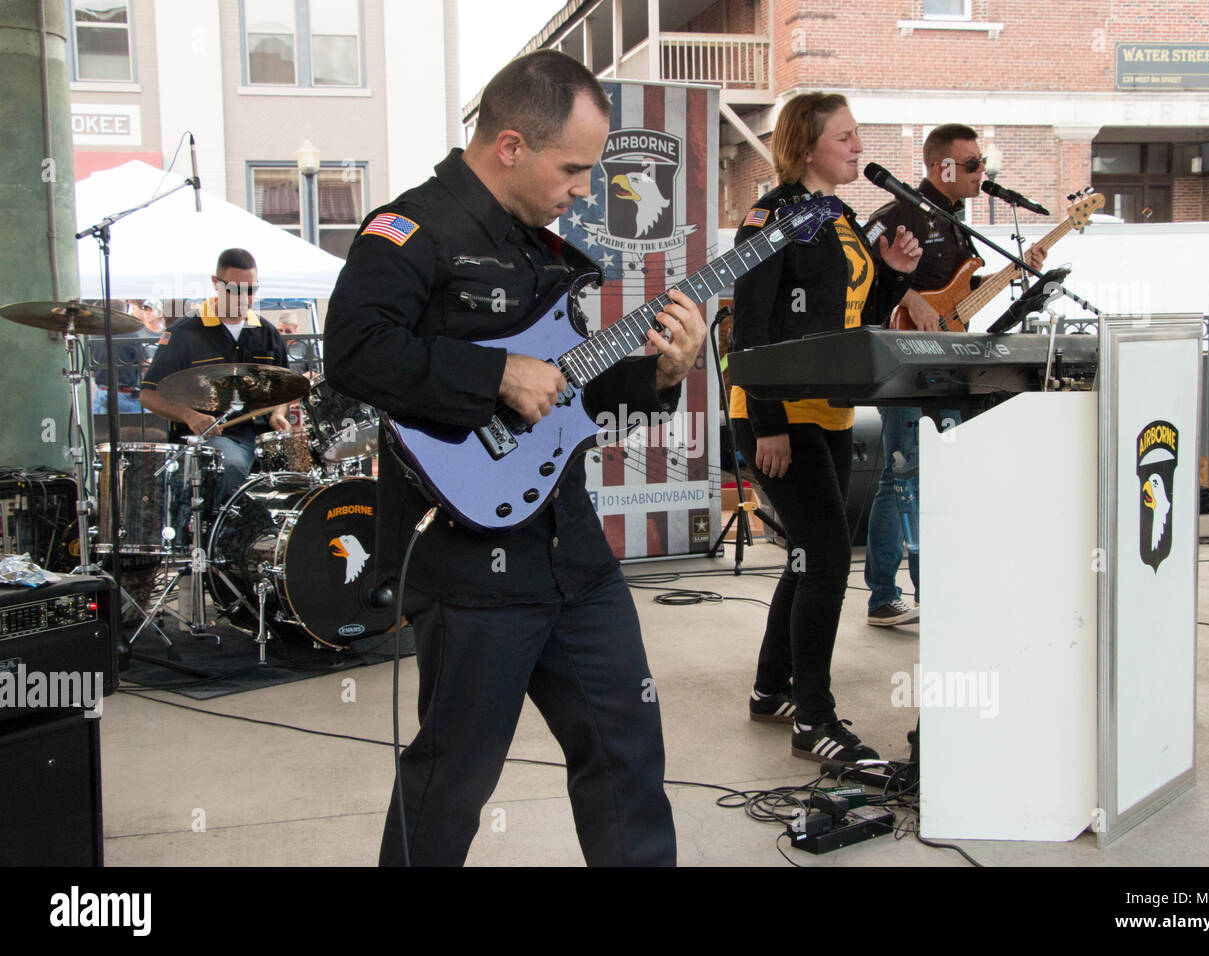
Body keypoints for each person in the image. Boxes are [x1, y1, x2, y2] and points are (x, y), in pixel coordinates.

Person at [323, 50, 706, 867]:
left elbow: (567, 400)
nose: (583, 188)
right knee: (453, 782)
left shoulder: (546, 251)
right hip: (468, 568)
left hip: (572, 551)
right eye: (573, 168)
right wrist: (494, 372)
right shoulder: (410, 230)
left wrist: (665, 375)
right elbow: (355, 353)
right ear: (508, 146)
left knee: (626, 756)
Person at [729, 93, 921, 762]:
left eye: (857, 136)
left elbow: (857, 317)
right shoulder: (771, 217)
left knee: (809, 556)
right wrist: (769, 420)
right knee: (831, 557)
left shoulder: (839, 218)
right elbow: (749, 326)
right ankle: (813, 718)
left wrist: (893, 278)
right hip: (777, 416)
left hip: (831, 412)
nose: (857, 147)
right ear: (807, 145)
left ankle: (769, 691)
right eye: (845, 137)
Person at [863, 124, 1046, 626]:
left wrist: (1016, 271)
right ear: (938, 166)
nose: (980, 174)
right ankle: (889, 594)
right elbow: (858, 262)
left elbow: (961, 290)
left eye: (982, 164)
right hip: (902, 359)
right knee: (903, 474)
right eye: (971, 165)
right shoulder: (901, 210)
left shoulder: (957, 221)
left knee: (923, 474)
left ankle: (920, 588)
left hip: (943, 362)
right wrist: (909, 297)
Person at [140, 248, 291, 507]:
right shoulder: (183, 333)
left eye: (251, 290)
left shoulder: (268, 333)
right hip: (210, 440)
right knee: (230, 464)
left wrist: (279, 414)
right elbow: (149, 395)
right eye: (235, 289)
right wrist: (190, 416)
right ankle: (227, 539)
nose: (244, 298)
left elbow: (284, 388)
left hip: (261, 437)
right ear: (215, 284)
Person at [90, 299, 165, 415]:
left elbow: (92, 370)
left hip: (101, 394)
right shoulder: (129, 335)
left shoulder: (95, 335)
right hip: (125, 397)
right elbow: (145, 364)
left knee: (101, 430)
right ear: (123, 313)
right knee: (142, 429)